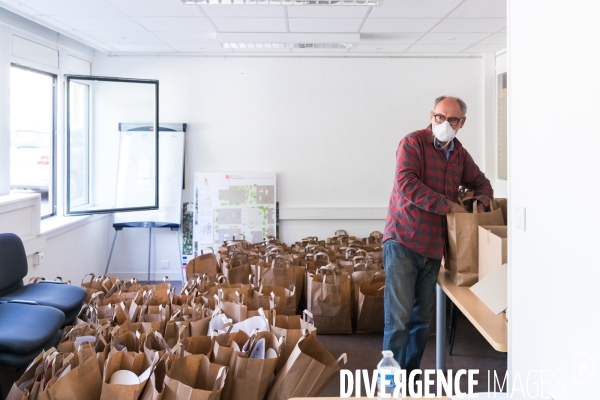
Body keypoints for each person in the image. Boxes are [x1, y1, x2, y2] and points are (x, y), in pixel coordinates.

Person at [382, 96, 493, 378]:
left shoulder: (459, 154)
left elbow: (482, 183)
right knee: (398, 321)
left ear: (462, 123)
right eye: (440, 117)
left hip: (433, 249)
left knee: (421, 322)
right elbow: (406, 184)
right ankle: (389, 385)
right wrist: (448, 205)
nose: (444, 123)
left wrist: (481, 201)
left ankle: (408, 380)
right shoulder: (413, 143)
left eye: (452, 119)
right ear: (432, 115)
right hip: (403, 240)